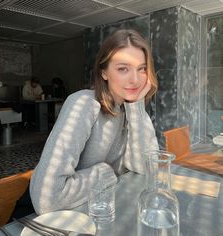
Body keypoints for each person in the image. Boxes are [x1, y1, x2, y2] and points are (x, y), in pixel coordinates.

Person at [30, 29, 159, 215]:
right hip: (58, 219)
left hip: (99, 209)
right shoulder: (83, 104)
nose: (135, 80)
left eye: (142, 69)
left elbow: (145, 168)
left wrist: (136, 107)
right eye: (123, 68)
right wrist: (107, 173)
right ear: (104, 72)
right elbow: (47, 199)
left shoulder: (131, 109)